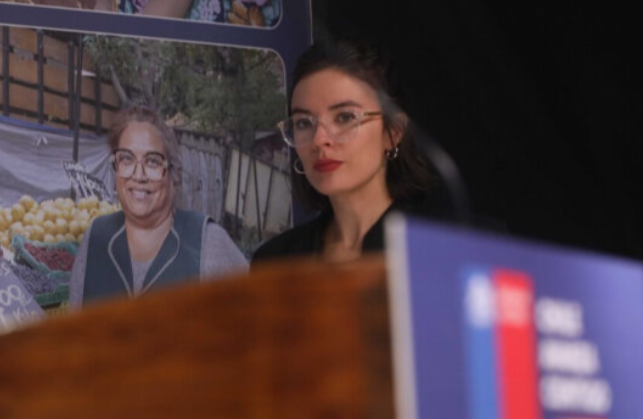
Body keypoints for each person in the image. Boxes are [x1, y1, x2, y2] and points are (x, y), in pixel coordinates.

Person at [250, 39, 436, 265]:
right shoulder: (275, 262)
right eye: (303, 123)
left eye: (345, 117)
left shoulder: (438, 250)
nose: (319, 140)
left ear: (393, 133)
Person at [69, 105, 247, 307]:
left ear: (173, 173)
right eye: (127, 159)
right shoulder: (96, 239)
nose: (138, 176)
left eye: (152, 162)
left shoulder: (207, 244)